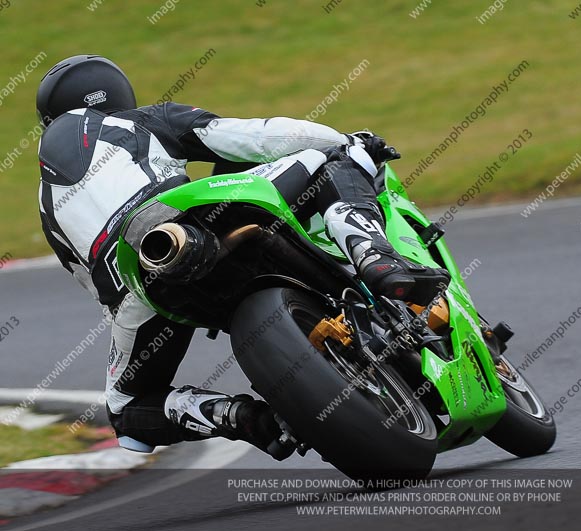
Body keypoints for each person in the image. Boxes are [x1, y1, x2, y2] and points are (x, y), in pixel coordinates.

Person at [35, 54, 449, 457]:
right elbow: (253, 137)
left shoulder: (46, 206)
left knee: (126, 411)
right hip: (185, 217)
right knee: (335, 158)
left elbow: (96, 286)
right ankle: (375, 258)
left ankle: (241, 417)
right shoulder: (135, 120)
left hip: (138, 286)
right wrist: (350, 140)